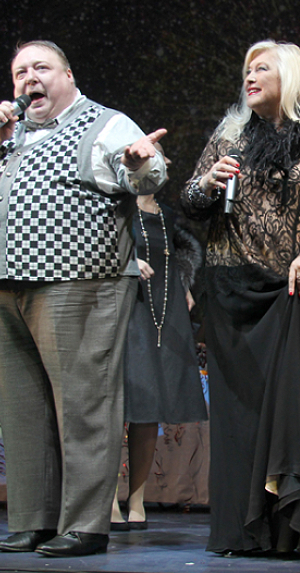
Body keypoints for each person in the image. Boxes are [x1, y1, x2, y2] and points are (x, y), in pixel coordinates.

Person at [0, 40, 167, 557]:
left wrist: (139, 163)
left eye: (41, 67)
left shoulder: (105, 123)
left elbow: (149, 172)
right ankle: (34, 520)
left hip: (79, 283)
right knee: (22, 409)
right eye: (20, 71)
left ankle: (86, 525)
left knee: (84, 405)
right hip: (3, 286)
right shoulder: (6, 133)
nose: (30, 78)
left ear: (67, 75)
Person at [180, 39, 300, 561]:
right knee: (240, 418)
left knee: (296, 412)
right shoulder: (229, 135)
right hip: (232, 294)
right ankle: (244, 534)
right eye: (247, 70)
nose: (250, 77)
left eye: (262, 68)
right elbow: (190, 202)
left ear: (290, 77)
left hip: (294, 293)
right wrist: (207, 182)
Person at [111, 189, 207, 531]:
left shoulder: (166, 215)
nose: (159, 167)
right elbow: (99, 248)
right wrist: (127, 264)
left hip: (163, 308)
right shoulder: (117, 206)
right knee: (121, 405)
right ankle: (107, 499)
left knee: (150, 406)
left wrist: (183, 283)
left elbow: (174, 255)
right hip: (128, 307)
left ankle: (137, 499)